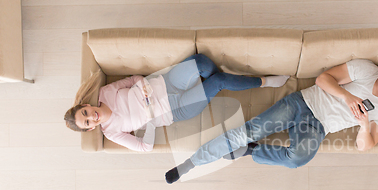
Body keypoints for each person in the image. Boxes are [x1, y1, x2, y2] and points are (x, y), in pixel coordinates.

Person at [165, 56, 378, 183]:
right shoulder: (366, 69)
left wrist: (365, 124)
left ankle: (252, 152)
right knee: (245, 131)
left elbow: (364, 146)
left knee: (298, 159)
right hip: (302, 102)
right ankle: (191, 163)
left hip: (318, 126)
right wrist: (347, 97)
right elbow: (323, 79)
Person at [64, 54, 290, 152]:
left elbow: (133, 79)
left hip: (165, 82)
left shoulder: (106, 92)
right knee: (219, 80)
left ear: (86, 105)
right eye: (86, 122)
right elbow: (144, 147)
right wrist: (150, 121)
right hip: (176, 108)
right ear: (90, 128)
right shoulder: (111, 132)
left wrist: (142, 85)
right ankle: (264, 82)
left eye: (85, 112)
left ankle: (225, 82)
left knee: (202, 62)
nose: (90, 116)